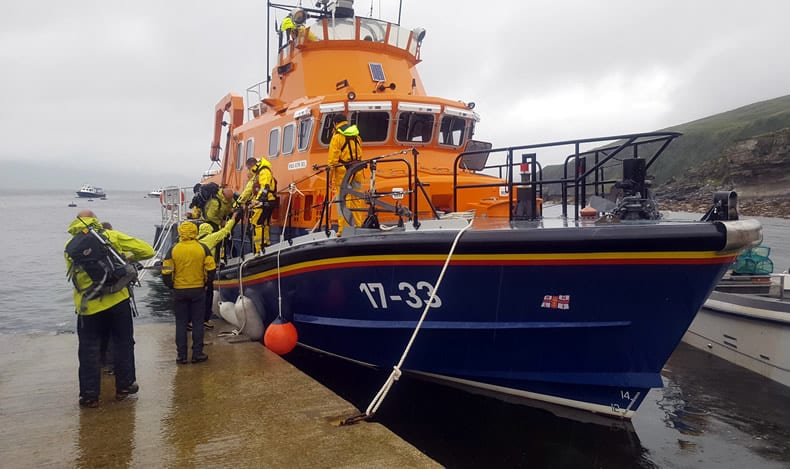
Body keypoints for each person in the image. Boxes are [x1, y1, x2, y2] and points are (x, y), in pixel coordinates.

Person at [65, 210, 155, 408]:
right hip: (117, 300)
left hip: (88, 306)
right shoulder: (111, 236)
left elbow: (75, 276)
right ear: (96, 221)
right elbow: (148, 251)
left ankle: (90, 396)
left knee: (89, 350)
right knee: (123, 343)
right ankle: (124, 386)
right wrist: (126, 256)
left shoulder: (70, 246)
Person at [161, 221, 217, 365]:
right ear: (195, 232)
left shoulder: (173, 249)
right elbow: (211, 270)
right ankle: (197, 353)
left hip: (179, 290)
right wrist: (205, 283)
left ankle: (181, 356)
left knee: (180, 323)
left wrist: (172, 285)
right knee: (198, 322)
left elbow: (166, 271)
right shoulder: (203, 248)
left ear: (180, 232)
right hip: (198, 289)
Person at [196, 214, 240, 328]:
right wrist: (233, 219)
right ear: (209, 230)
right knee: (207, 297)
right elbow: (225, 232)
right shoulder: (211, 238)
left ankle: (193, 321)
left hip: (195, 274)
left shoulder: (195, 240)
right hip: (207, 273)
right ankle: (204, 320)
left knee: (196, 300)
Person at [328, 113, 366, 235]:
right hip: (357, 171)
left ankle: (343, 229)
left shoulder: (337, 137)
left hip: (343, 173)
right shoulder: (357, 136)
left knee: (342, 200)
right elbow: (360, 154)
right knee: (356, 199)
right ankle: (358, 226)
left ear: (335, 123)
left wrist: (330, 178)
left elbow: (333, 160)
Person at [237, 157, 278, 253]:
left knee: (257, 224)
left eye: (248, 168)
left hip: (264, 202)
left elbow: (264, 188)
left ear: (251, 166)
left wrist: (258, 201)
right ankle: (266, 244)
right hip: (267, 201)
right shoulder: (261, 172)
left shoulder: (263, 171)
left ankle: (258, 248)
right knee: (264, 224)